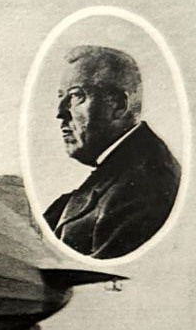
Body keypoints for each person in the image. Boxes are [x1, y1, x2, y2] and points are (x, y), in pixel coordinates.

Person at [43, 45, 180, 259]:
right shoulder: (116, 175)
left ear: (118, 105)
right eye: (60, 97)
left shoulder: (144, 184)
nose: (60, 113)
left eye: (75, 96)